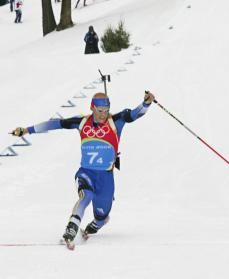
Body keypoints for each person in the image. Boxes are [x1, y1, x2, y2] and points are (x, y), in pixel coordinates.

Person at [11, 92, 156, 249]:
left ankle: (97, 223)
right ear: (92, 108)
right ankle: (71, 229)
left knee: (102, 215)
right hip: (86, 172)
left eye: (106, 110)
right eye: (99, 110)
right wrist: (27, 130)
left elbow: (135, 114)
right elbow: (55, 124)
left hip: (105, 178)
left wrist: (146, 103)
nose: (103, 114)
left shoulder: (116, 121)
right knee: (86, 195)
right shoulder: (82, 122)